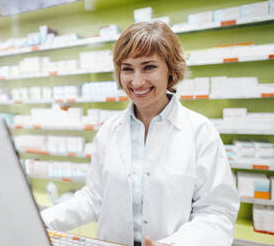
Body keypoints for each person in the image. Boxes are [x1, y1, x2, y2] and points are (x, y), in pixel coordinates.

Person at [41, 21, 240, 246]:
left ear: (171, 70)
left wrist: (174, 244)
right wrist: (42, 220)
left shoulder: (200, 132)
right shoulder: (109, 131)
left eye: (148, 67)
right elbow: (95, 197)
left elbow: (216, 213)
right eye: (127, 69)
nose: (136, 81)